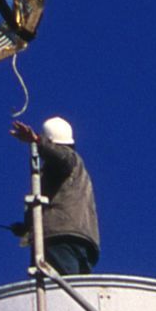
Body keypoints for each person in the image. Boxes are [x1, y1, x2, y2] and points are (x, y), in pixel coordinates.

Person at [8, 115, 99, 275]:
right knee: (76, 290)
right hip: (78, 239)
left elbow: (61, 157)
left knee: (60, 291)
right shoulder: (76, 171)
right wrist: (26, 228)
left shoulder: (69, 159)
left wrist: (36, 140)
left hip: (59, 237)